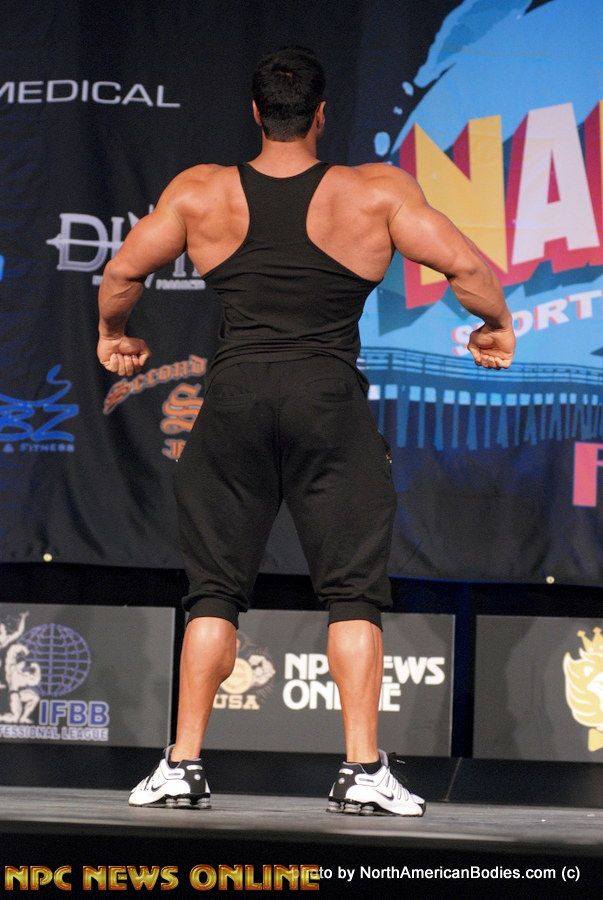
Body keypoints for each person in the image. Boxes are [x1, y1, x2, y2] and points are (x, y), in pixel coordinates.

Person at [97, 46, 515, 816]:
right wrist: (494, 325)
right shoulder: (375, 193)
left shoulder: (200, 192)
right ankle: (360, 770)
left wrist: (114, 335)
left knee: (213, 593)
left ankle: (183, 764)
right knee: (352, 595)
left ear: (256, 113)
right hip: (328, 403)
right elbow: (465, 267)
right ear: (322, 115)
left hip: (233, 402)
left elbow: (122, 273)